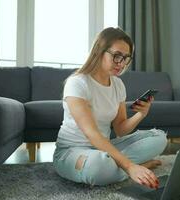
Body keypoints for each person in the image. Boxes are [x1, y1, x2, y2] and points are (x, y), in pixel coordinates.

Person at [53, 27, 168, 189]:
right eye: (116, 56)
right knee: (98, 167)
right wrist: (129, 166)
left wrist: (141, 114)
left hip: (105, 148)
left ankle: (117, 165)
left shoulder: (118, 85)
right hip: (71, 152)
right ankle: (134, 165)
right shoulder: (77, 83)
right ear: (99, 51)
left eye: (126, 58)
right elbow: (92, 134)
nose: (121, 63)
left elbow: (120, 129)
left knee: (159, 138)